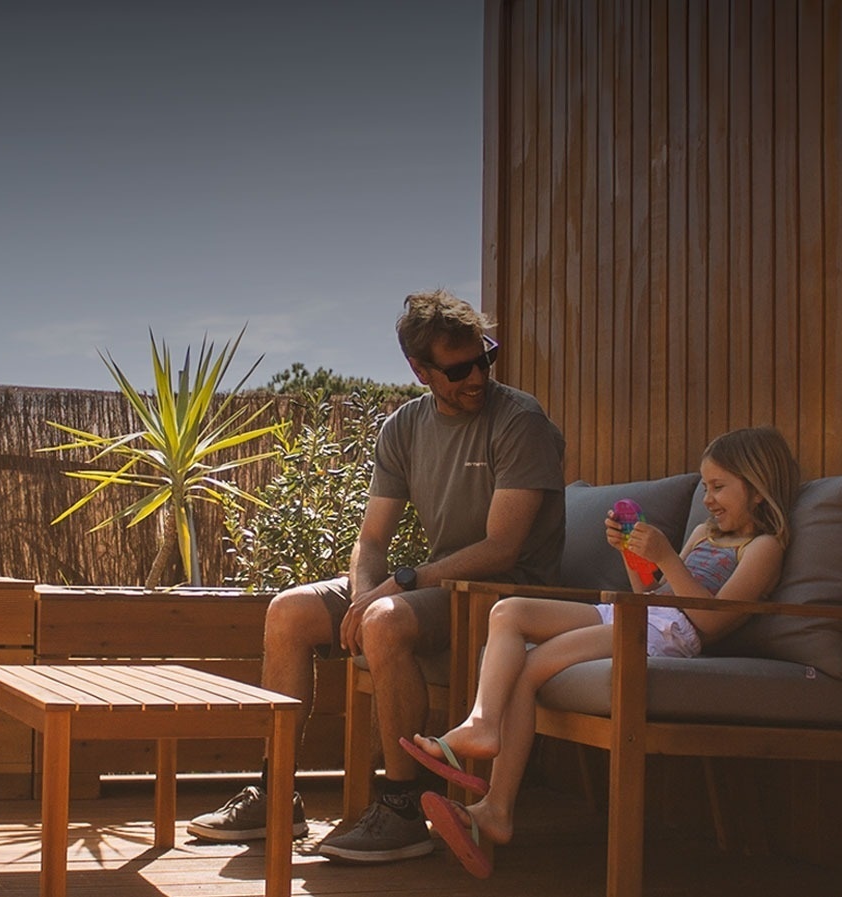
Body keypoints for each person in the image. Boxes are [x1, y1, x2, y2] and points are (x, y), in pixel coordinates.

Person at [185, 288, 566, 864]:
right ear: (420, 371)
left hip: (505, 593)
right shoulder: (405, 427)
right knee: (288, 611)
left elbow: (501, 547)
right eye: (459, 368)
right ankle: (277, 791)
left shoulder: (519, 421)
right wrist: (364, 595)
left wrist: (398, 588)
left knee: (387, 621)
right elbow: (371, 539)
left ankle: (405, 805)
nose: (477, 376)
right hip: (439, 586)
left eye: (484, 358)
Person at [405, 426, 799, 877]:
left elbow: (709, 621)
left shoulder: (764, 548)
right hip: (641, 616)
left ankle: (496, 806)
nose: (708, 499)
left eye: (718, 487)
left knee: (531, 667)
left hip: (669, 636)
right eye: (705, 487)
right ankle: (482, 725)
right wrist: (636, 557)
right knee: (509, 613)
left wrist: (668, 556)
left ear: (758, 486)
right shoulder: (705, 536)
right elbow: (655, 593)